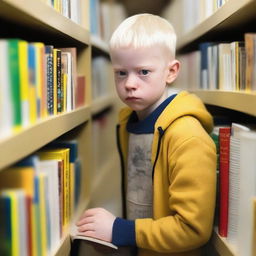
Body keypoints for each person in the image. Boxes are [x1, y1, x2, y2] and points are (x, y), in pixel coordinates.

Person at [76, 13, 217, 256]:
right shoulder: (129, 122)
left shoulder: (187, 137)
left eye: (143, 72)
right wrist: (118, 237)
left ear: (171, 72)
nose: (130, 83)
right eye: (121, 72)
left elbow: (193, 229)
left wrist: (122, 231)